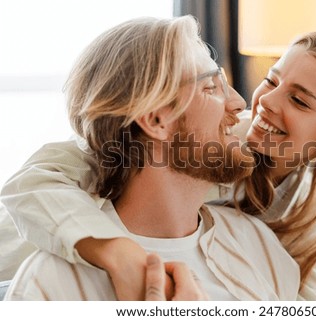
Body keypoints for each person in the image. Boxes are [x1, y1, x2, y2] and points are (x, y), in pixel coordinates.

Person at [2, 28, 316, 301]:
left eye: (298, 99)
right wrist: (117, 252)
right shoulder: (209, 138)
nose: (261, 102)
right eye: (272, 80)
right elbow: (31, 182)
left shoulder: (310, 212)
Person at [1, 15, 300, 301]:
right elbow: (30, 182)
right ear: (155, 120)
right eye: (210, 87)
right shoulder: (54, 283)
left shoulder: (258, 247)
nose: (240, 103)